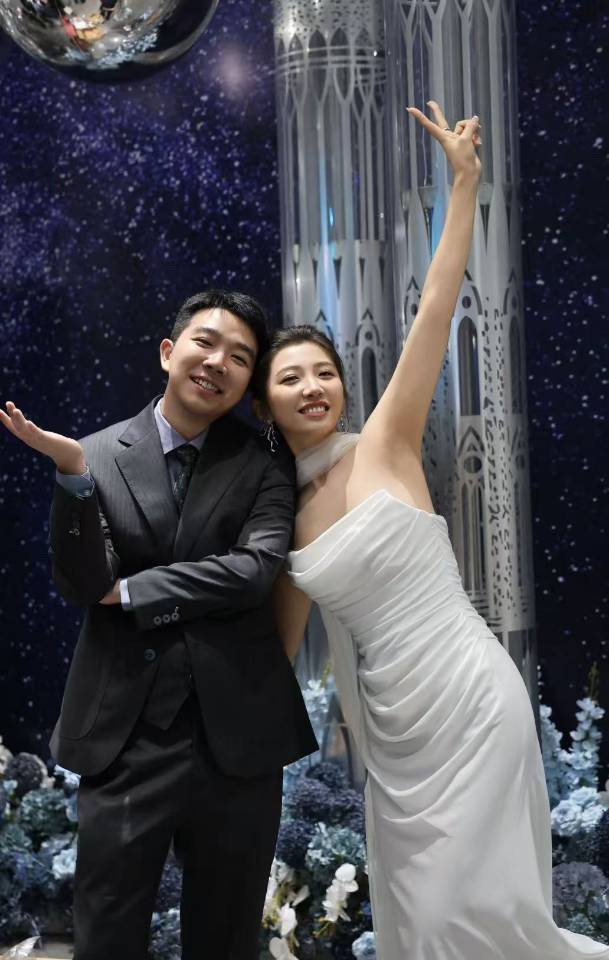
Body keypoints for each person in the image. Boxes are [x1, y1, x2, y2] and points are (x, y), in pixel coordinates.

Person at [253, 104, 609, 959]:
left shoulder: (385, 441)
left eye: (324, 372)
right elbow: (275, 652)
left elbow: (436, 312)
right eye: (289, 378)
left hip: (471, 701)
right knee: (420, 925)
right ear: (263, 402)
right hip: (394, 741)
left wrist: (463, 185)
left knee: (475, 916)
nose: (312, 387)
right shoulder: (279, 517)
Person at [0, 289, 318, 960]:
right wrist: (72, 476)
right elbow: (82, 585)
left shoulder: (265, 461)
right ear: (169, 352)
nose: (218, 363)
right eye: (206, 343)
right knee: (107, 934)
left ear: (247, 381)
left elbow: (255, 570)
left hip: (238, 734)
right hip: (124, 734)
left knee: (227, 938)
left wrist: (136, 591)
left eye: (240, 357)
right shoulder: (92, 453)